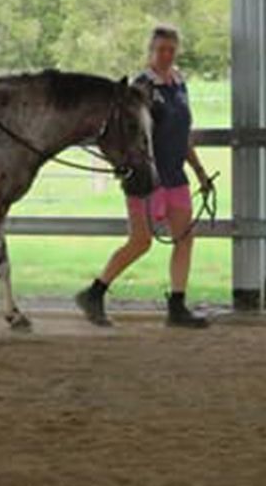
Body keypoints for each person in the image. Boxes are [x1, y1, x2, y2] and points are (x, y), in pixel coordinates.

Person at [75, 25, 213, 329]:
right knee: (141, 241)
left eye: (171, 50)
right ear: (150, 52)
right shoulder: (141, 88)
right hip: (147, 178)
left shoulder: (179, 85)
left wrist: (199, 171)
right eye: (160, 50)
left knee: (185, 238)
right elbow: (130, 134)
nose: (165, 55)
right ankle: (96, 291)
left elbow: (182, 135)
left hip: (175, 173)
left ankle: (177, 305)